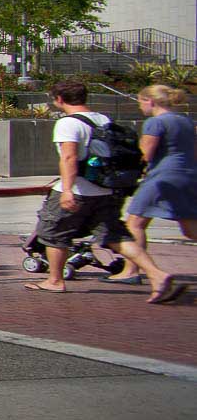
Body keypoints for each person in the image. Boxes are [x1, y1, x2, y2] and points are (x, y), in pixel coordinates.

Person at [25, 82, 170, 296]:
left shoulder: (67, 123)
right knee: (115, 235)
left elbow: (69, 157)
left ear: (59, 100)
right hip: (105, 189)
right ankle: (156, 273)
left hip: (78, 189)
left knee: (54, 234)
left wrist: (66, 190)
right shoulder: (103, 119)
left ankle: (55, 280)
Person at [124, 84, 194, 302]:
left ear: (150, 101)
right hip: (189, 175)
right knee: (191, 229)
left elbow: (145, 154)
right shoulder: (185, 121)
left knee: (133, 224)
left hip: (162, 177)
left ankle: (132, 271)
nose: (140, 106)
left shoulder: (155, 122)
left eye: (140, 101)